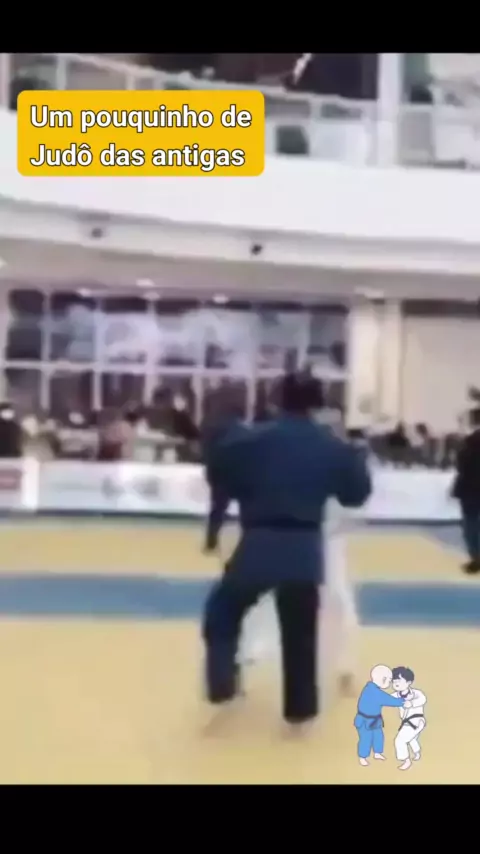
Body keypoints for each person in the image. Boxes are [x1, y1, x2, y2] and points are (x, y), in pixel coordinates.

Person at [202, 372, 372, 727]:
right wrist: (354, 456)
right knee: (300, 632)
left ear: (278, 398)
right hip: (305, 547)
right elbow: (355, 495)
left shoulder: (250, 440)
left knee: (222, 612)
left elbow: (219, 471)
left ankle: (222, 684)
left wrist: (246, 490)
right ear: (318, 403)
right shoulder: (331, 446)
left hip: (259, 541)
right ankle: (300, 710)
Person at [354, 665, 406, 766]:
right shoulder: (374, 692)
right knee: (366, 739)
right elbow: (389, 700)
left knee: (378, 736)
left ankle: (377, 753)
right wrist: (402, 701)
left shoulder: (372, 689)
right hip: (365, 721)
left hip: (375, 719)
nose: (390, 683)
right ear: (383, 679)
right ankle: (363, 757)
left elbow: (386, 698)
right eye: (389, 681)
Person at [452, 407, 480, 573]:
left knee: (471, 525)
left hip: (470, 489)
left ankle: (476, 558)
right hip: (471, 487)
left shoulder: (470, 442)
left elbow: (462, 464)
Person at [391, 666, 427, 771]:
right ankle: (417, 752)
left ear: (409, 682)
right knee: (411, 738)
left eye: (399, 680)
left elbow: (422, 700)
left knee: (400, 740)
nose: (396, 683)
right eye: (394, 681)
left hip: (416, 721)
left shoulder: (417, 693)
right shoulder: (395, 695)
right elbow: (386, 699)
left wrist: (411, 703)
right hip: (406, 723)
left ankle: (406, 761)